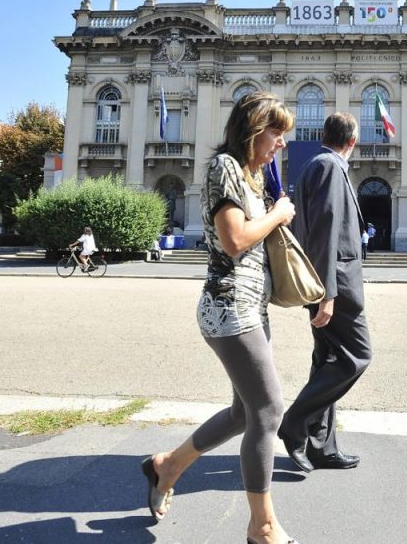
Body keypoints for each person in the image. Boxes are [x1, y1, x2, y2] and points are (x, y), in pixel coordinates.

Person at [142, 92, 300, 544]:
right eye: (277, 132)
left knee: (241, 414)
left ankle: (165, 467)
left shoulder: (250, 176)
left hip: (250, 305)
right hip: (229, 308)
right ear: (253, 130)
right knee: (268, 410)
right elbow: (233, 241)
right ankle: (262, 526)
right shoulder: (225, 168)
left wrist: (272, 209)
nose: (282, 144)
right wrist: (276, 214)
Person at [280, 112, 372, 474]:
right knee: (357, 356)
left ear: (324, 134)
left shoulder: (315, 165)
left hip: (328, 281)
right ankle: (294, 423)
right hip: (337, 284)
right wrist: (328, 293)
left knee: (328, 361)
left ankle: (321, 446)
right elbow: (325, 229)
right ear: (352, 141)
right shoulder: (330, 167)